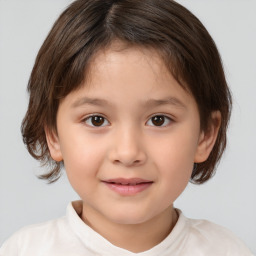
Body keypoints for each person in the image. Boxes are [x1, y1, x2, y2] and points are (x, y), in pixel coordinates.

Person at [0, 0, 254, 255]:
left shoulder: (227, 250)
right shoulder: (26, 250)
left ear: (205, 135)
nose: (128, 152)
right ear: (53, 134)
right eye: (96, 120)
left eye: (158, 120)